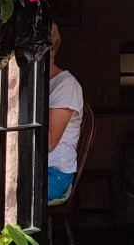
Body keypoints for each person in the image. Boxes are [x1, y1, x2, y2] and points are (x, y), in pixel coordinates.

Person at [47, 23, 84, 205]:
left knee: (10, 193)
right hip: (33, 168)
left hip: (54, 173)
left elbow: (48, 142)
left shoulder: (66, 85)